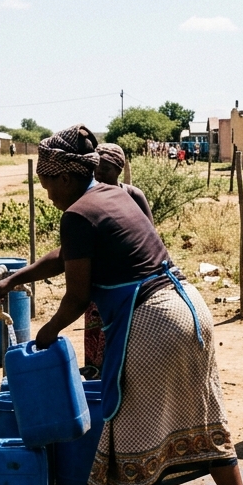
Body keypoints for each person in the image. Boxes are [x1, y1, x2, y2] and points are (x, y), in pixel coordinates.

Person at [0, 125, 243, 485]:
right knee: (206, 420)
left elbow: (77, 296)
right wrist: (13, 280)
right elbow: (65, 257)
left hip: (151, 321)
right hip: (190, 310)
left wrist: (47, 333)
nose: (47, 193)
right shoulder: (115, 196)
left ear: (65, 176)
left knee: (130, 431)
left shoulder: (77, 214)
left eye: (47, 183)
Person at [83, 143, 154, 372]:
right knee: (97, 347)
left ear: (119, 170)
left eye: (106, 169)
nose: (99, 174)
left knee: (129, 345)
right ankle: (97, 382)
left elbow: (150, 236)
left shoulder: (132, 195)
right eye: (95, 168)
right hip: (99, 284)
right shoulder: (88, 197)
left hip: (130, 285)